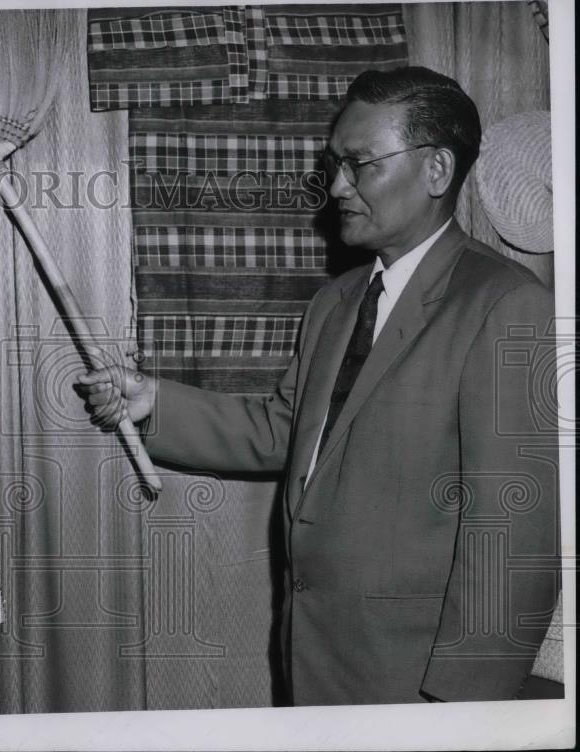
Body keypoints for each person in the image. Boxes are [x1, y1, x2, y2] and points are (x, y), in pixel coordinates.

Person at [75, 67, 560, 705]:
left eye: (359, 164)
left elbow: (514, 531)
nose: (336, 186)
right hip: (316, 665)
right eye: (335, 164)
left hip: (423, 685)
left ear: (437, 170)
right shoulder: (336, 302)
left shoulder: (505, 303)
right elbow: (286, 431)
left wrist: (463, 707)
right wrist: (151, 402)